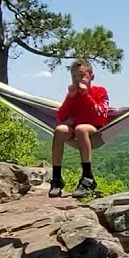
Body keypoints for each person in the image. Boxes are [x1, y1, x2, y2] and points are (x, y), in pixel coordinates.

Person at [49, 59, 109, 198]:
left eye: (82, 76)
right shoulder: (73, 94)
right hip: (75, 128)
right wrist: (70, 97)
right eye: (74, 76)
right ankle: (57, 179)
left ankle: (87, 177)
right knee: (59, 130)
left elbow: (100, 115)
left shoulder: (100, 91)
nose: (78, 80)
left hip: (95, 129)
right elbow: (61, 116)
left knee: (81, 129)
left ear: (91, 76)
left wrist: (86, 95)